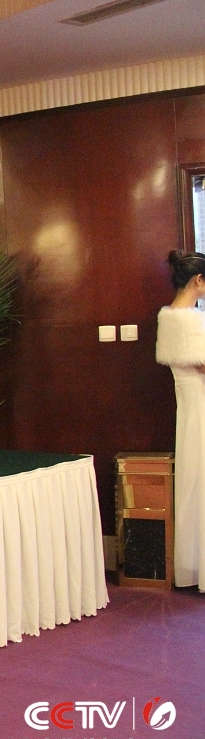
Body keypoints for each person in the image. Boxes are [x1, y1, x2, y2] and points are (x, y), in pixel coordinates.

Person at [155, 249, 205, 592]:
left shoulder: (169, 316)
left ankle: (194, 564)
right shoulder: (191, 320)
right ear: (198, 280)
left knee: (194, 478)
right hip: (199, 400)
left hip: (187, 404)